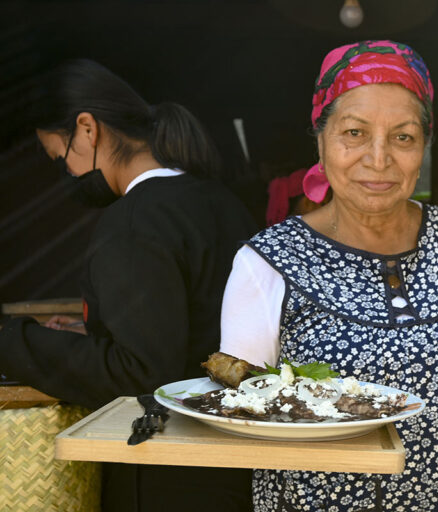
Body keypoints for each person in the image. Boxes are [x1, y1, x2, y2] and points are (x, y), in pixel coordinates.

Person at [220, 40, 438, 511]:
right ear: (320, 141)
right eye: (355, 133)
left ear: (423, 144)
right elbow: (242, 411)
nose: (378, 159)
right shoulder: (267, 262)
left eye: (402, 137)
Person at [0, 60, 256, 512]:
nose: (68, 172)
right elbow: (190, 331)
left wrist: (14, 342)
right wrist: (94, 335)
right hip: (233, 463)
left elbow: (139, 372)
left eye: (59, 156)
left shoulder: (135, 221)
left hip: (165, 473)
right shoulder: (219, 201)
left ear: (86, 129)